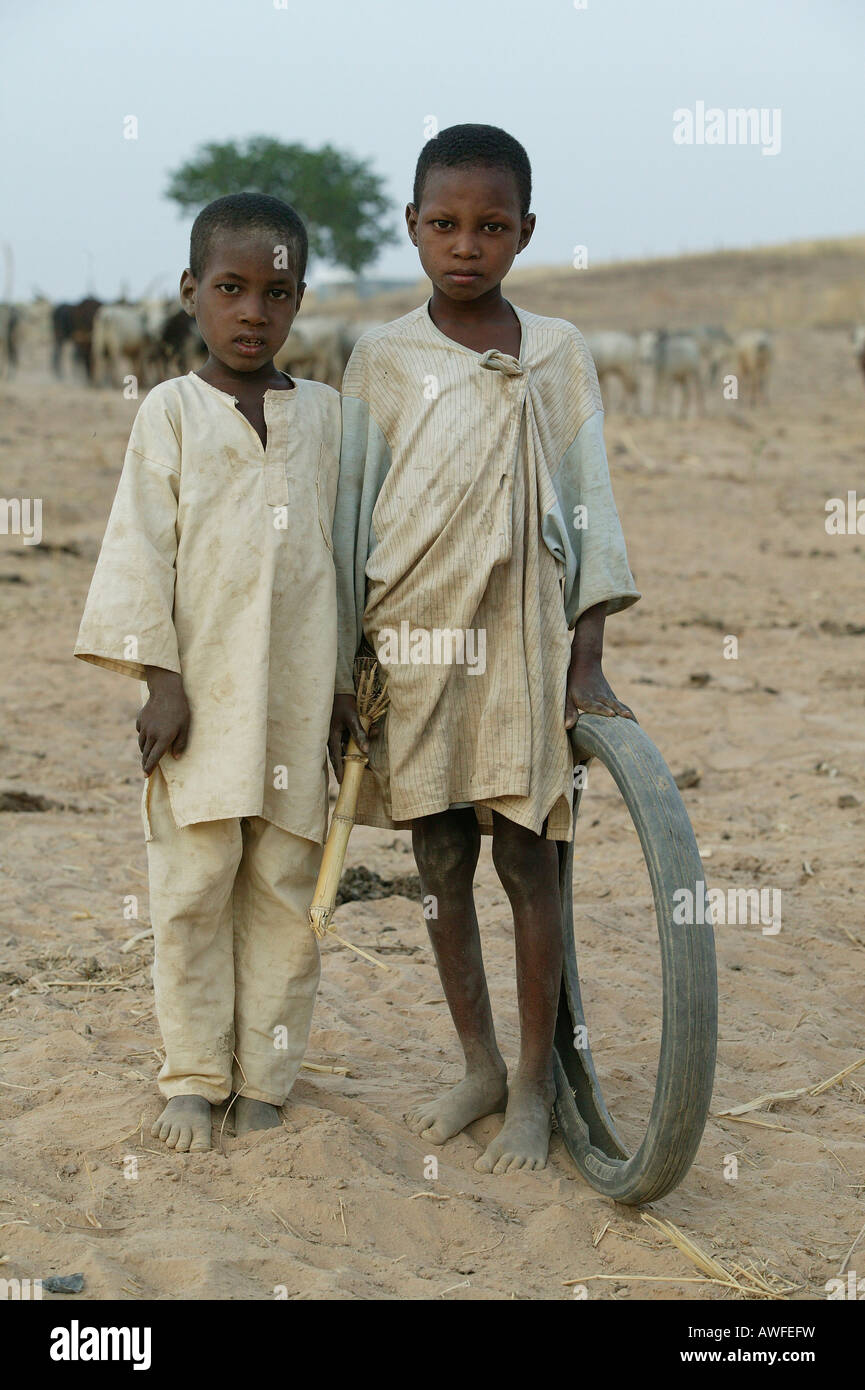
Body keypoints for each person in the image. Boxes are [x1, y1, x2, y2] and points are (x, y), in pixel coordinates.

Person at [329, 125, 640, 1175]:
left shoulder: (555, 349)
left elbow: (589, 505)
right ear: (413, 229)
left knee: (528, 857)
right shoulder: (379, 355)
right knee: (440, 858)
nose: (467, 244)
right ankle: (477, 1059)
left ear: (525, 232)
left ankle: (536, 1086)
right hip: (412, 638)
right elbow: (350, 511)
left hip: (521, 638)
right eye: (445, 224)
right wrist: (346, 662)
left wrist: (585, 657)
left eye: (491, 225)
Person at [75, 193, 340, 1152]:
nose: (251, 312)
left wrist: (347, 692)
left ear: (300, 299)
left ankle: (265, 1077)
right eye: (229, 288)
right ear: (191, 293)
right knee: (191, 893)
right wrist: (162, 681)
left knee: (286, 894)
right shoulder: (170, 414)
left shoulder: (330, 421)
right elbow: (140, 551)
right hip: (200, 708)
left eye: (275, 292)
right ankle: (191, 1074)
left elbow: (348, 563)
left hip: (298, 707)